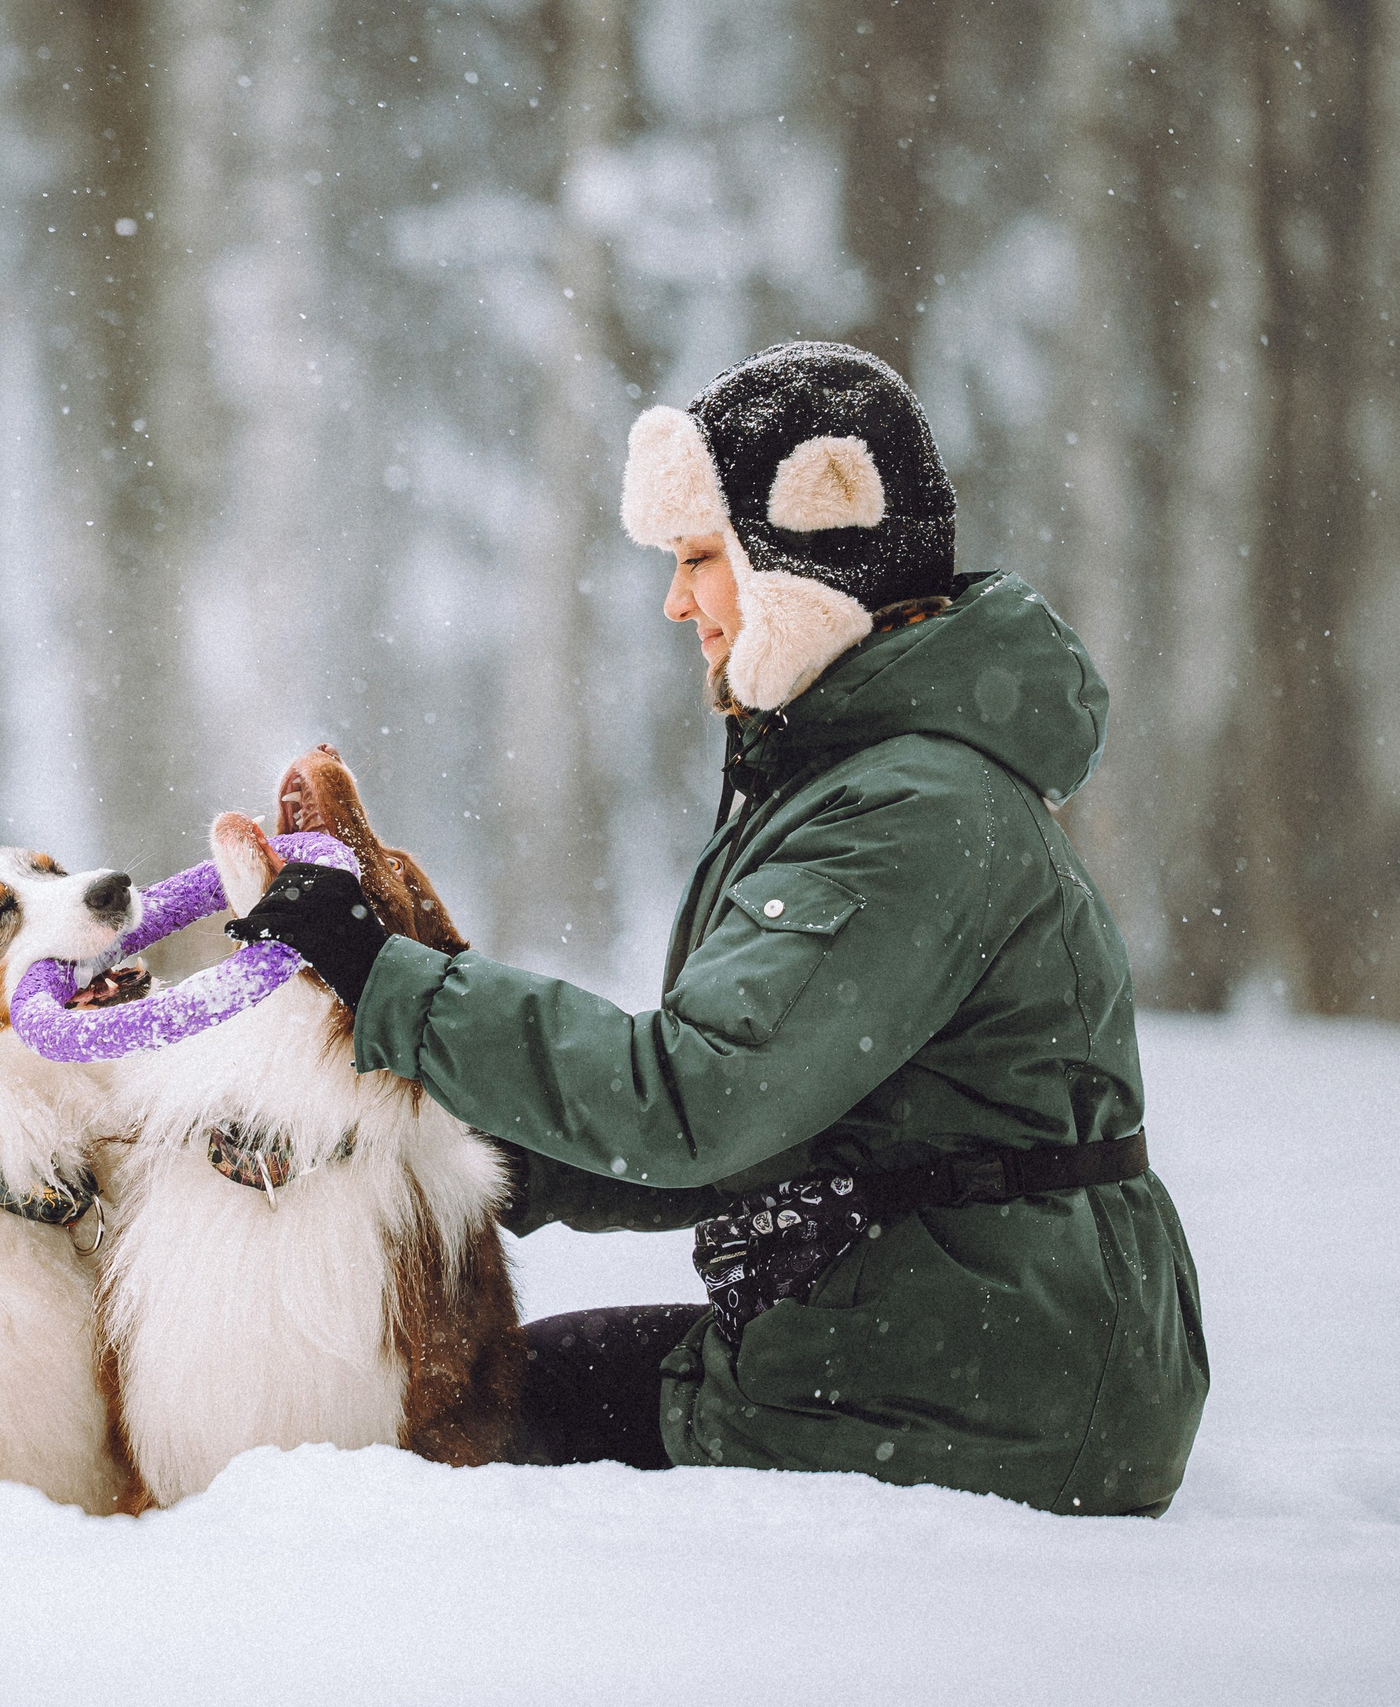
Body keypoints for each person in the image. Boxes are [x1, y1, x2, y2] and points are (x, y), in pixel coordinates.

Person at [230, 342, 1209, 1516]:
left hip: (985, 1393)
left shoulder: (911, 814)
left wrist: (382, 978)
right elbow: (749, 1130)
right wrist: (429, 1147)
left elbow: (695, 1103)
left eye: (700, 558)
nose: (675, 599)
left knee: (462, 1426)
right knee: (495, 1388)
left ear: (806, 556)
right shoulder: (856, 783)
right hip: (939, 1340)